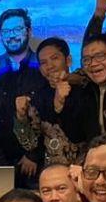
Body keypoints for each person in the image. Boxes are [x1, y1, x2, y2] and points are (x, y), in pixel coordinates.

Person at [0, 8, 46, 184]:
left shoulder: (42, 66)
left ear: (29, 31)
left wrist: (33, 155)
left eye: (17, 29)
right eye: (6, 31)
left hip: (33, 161)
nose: (11, 35)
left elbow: (52, 116)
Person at [14, 38, 90, 168]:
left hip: (85, 168)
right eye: (43, 63)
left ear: (68, 60)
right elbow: (31, 145)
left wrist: (60, 103)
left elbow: (82, 134)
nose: (49, 66)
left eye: (54, 58)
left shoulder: (86, 89)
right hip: (51, 171)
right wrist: (21, 118)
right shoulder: (37, 97)